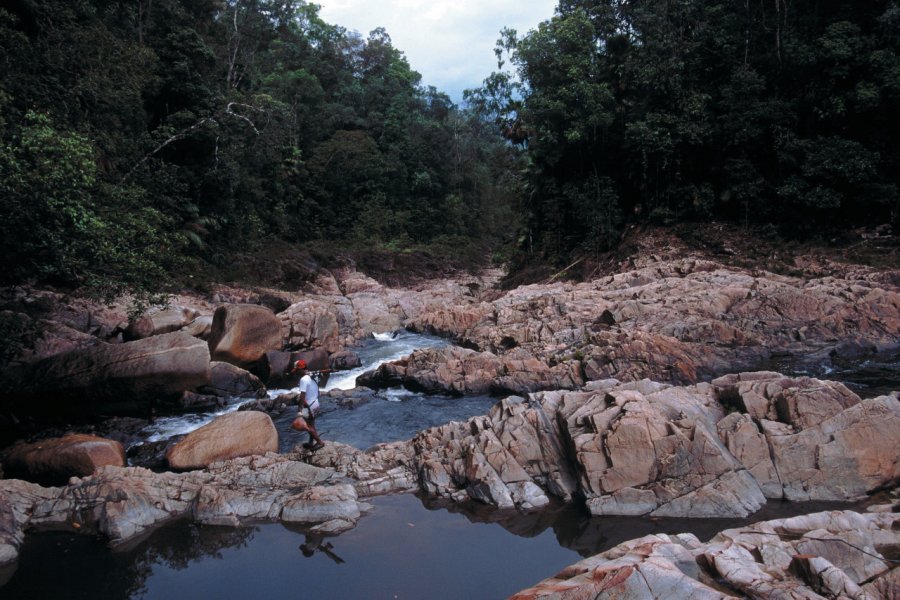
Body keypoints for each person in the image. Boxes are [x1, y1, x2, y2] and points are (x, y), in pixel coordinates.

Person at [291, 359, 325, 450]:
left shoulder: (303, 380)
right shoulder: (313, 376)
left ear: (299, 369)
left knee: (306, 426)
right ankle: (311, 442)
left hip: (309, 405)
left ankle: (320, 442)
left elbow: (302, 396)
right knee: (311, 424)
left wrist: (299, 410)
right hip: (316, 403)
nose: (296, 373)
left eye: (296, 370)